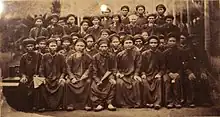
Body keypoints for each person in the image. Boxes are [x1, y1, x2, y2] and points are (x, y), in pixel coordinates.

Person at [65, 39, 93, 110]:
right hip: (74, 76)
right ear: (74, 47)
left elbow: (89, 68)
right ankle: (70, 104)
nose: (79, 47)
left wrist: (85, 75)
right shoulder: (71, 57)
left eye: (81, 46)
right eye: (77, 45)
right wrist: (72, 77)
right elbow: (68, 69)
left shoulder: (88, 57)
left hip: (83, 77)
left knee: (88, 82)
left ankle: (86, 104)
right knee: (68, 83)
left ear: (84, 47)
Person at [39, 38, 66, 110]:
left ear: (57, 47)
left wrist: (61, 77)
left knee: (62, 84)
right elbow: (41, 69)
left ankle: (58, 105)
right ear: (48, 47)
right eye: (51, 46)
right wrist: (43, 78)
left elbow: (64, 69)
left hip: (57, 78)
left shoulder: (61, 56)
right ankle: (45, 105)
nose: (53, 47)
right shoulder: (44, 56)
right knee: (42, 84)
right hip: (47, 78)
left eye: (54, 46)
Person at [116, 35, 142, 108]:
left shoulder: (137, 53)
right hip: (122, 74)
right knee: (119, 83)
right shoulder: (119, 54)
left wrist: (136, 74)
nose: (128, 44)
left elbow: (138, 65)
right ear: (123, 44)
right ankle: (122, 103)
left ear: (133, 44)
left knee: (136, 82)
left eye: (130, 42)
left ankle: (136, 103)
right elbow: (116, 67)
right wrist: (118, 73)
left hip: (133, 74)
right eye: (126, 43)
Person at [90, 39, 117, 111]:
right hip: (98, 77)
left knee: (112, 84)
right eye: (102, 46)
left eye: (105, 46)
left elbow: (113, 69)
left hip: (108, 77)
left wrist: (111, 77)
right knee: (95, 86)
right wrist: (98, 80)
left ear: (108, 47)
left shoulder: (112, 56)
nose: (103, 48)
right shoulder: (95, 57)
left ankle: (109, 103)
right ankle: (99, 104)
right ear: (99, 47)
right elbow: (94, 71)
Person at [18, 38, 43, 111]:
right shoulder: (23, 57)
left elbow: (42, 67)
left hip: (37, 76)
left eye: (31, 46)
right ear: (25, 47)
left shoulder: (39, 55)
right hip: (27, 76)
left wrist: (38, 74)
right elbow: (21, 69)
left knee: (37, 84)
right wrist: (23, 76)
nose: (30, 48)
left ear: (34, 46)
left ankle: (37, 105)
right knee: (22, 84)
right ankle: (25, 106)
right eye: (28, 46)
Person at [188, 34, 213, 106]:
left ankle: (205, 101)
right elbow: (184, 65)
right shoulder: (187, 52)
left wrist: (203, 72)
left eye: (197, 42)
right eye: (193, 42)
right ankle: (192, 101)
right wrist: (189, 73)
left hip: (201, 71)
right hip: (191, 72)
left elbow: (206, 64)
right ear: (191, 43)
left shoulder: (203, 52)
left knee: (204, 79)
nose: (195, 44)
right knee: (191, 79)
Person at [141, 35, 164, 110]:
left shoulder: (160, 54)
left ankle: (157, 103)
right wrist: (143, 74)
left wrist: (159, 74)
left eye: (155, 43)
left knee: (158, 80)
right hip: (147, 74)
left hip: (155, 74)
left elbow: (163, 67)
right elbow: (141, 67)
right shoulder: (144, 54)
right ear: (148, 43)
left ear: (157, 44)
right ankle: (147, 102)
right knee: (144, 82)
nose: (153, 44)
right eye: (151, 43)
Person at [163, 33, 182, 109]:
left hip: (178, 72)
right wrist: (169, 73)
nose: (172, 42)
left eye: (173, 41)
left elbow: (182, 65)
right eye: (170, 41)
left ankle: (177, 101)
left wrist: (177, 73)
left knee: (177, 80)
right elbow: (163, 65)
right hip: (167, 72)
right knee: (167, 80)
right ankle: (169, 101)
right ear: (167, 42)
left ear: (176, 42)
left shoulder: (180, 52)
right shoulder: (164, 53)